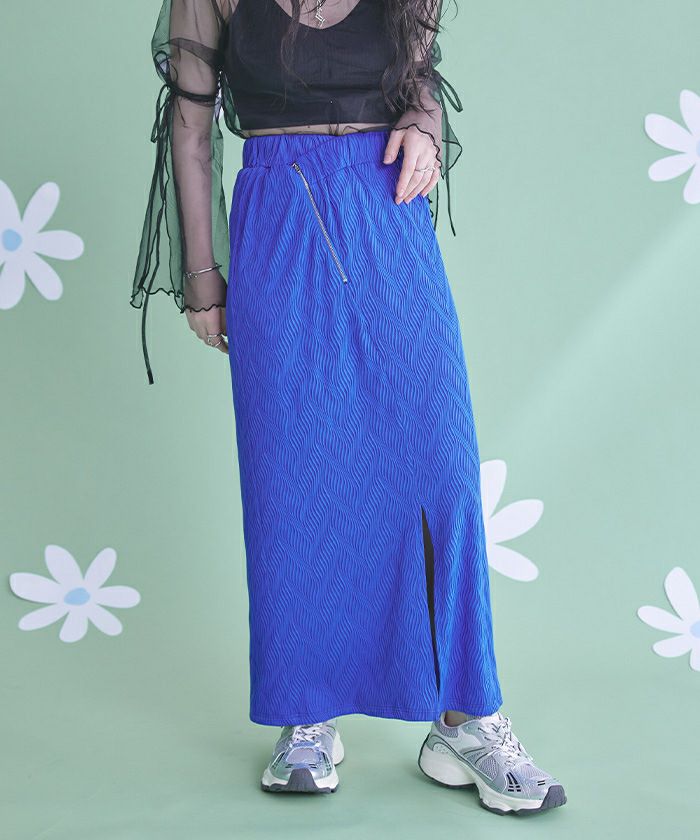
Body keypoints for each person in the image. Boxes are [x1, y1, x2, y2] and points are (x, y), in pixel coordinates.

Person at [132, 0, 567, 815]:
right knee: (292, 476)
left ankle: (466, 719)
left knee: (442, 472)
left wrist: (426, 129)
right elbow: (189, 130)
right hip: (275, 218)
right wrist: (202, 275)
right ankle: (306, 713)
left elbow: (420, 84)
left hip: (385, 213)